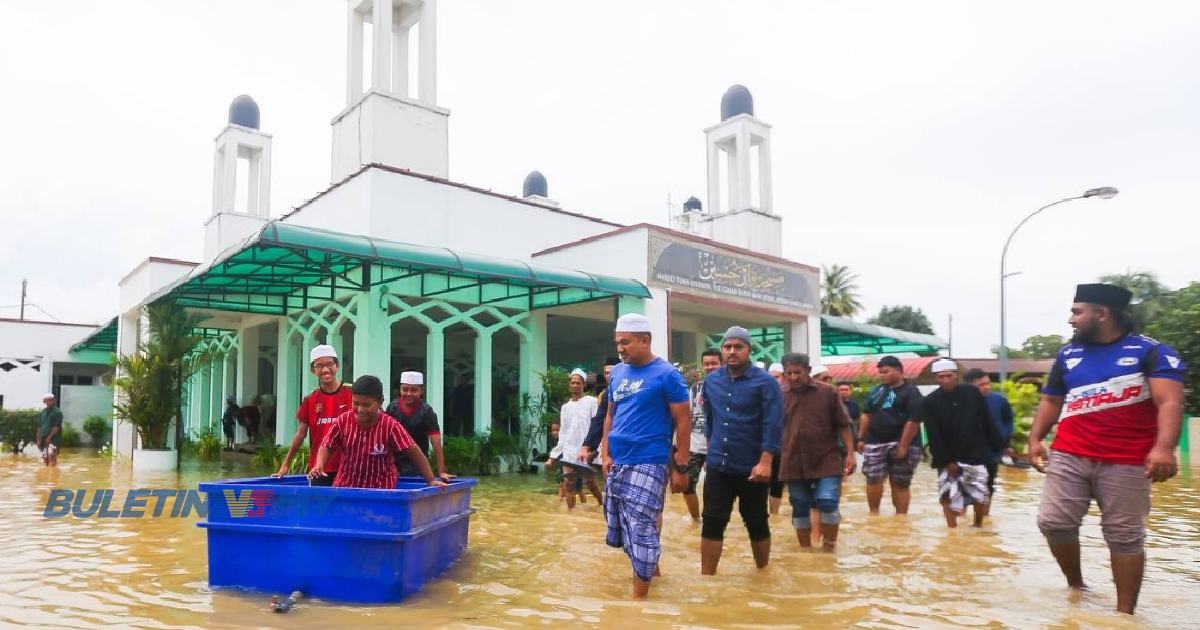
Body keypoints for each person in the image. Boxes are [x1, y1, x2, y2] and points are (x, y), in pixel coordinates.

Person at [1029, 283, 1186, 615]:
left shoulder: (1152, 352)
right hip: (1069, 453)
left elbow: (1169, 401)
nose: (1070, 319)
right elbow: (1051, 399)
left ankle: (1124, 615)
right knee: (1054, 523)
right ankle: (1076, 586)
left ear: (1102, 314)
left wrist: (1164, 448)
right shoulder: (1068, 354)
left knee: (1124, 536)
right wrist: (1034, 439)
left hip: (1128, 460)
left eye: (1077, 311)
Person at [598, 313, 690, 599]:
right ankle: (652, 570)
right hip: (619, 461)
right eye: (618, 343)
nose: (620, 348)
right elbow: (610, 415)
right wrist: (605, 453)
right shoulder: (619, 374)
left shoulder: (667, 375)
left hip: (650, 460)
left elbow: (683, 420)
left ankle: (639, 600)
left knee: (640, 526)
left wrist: (682, 467)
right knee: (625, 528)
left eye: (626, 343)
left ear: (645, 340)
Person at [700, 326, 782, 575]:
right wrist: (709, 454)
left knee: (756, 520)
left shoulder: (766, 383)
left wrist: (766, 461)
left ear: (749, 349)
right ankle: (707, 580)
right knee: (712, 520)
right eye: (727, 347)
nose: (732, 351)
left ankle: (762, 574)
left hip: (752, 467)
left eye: (738, 347)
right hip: (718, 465)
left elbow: (773, 423)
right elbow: (710, 420)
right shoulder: (711, 381)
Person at [308, 375, 447, 490]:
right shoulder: (343, 421)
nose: (360, 409)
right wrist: (319, 465)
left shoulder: (390, 426)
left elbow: (414, 451)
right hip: (346, 485)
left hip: (381, 488)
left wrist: (430, 479)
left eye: (366, 405)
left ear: (380, 402)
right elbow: (327, 445)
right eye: (356, 403)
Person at [778, 353, 856, 551]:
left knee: (828, 502)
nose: (794, 377)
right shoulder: (779, 395)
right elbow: (769, 428)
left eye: (798, 373)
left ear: (809, 371)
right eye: (789, 373)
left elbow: (844, 425)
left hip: (826, 458)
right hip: (793, 458)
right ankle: (806, 551)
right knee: (799, 506)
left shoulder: (828, 393)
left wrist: (850, 453)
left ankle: (829, 550)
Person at [922, 359, 1003, 528]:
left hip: (975, 452)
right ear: (935, 378)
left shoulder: (972, 393)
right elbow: (933, 435)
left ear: (956, 375)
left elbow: (986, 422)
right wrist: (946, 461)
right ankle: (951, 529)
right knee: (946, 494)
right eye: (941, 377)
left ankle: (978, 525)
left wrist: (998, 447)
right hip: (946, 455)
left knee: (981, 493)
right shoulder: (930, 401)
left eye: (949, 376)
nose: (945, 380)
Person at [274, 345, 351, 485]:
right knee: (320, 506)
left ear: (337, 366)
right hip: (318, 469)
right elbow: (300, 434)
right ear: (313, 370)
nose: (325, 369)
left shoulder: (352, 394)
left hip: (349, 468)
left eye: (330, 364)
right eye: (319, 365)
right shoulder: (310, 399)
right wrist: (286, 464)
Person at [857, 355, 925, 515]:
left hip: (904, 441)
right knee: (873, 479)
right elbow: (866, 414)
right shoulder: (876, 391)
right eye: (880, 372)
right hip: (875, 440)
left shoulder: (912, 392)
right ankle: (874, 514)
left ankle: (901, 518)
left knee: (900, 482)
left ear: (899, 371)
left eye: (886, 372)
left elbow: (913, 421)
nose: (882, 375)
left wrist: (903, 446)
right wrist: (860, 438)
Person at [546, 369, 603, 509]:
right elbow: (563, 433)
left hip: (587, 450)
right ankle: (570, 515)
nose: (575, 385)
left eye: (578, 383)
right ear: (569, 385)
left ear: (583, 384)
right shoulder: (565, 407)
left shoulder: (592, 402)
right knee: (569, 484)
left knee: (590, 483)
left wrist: (596, 448)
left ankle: (603, 506)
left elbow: (598, 426)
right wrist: (553, 457)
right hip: (569, 451)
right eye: (573, 383)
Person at [680, 348, 721, 522]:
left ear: (722, 364)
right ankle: (696, 520)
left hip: (719, 446)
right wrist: (680, 447)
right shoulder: (695, 388)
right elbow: (687, 417)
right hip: (695, 446)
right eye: (706, 364)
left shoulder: (729, 388)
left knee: (716, 489)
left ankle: (715, 520)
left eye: (714, 363)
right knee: (687, 485)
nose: (710, 367)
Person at [385, 371, 450, 481]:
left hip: (418, 465)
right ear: (400, 390)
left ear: (421, 391)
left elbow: (436, 443)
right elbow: (386, 438)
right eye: (405, 389)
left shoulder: (427, 413)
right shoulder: (392, 408)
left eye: (414, 390)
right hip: (395, 465)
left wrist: (441, 471)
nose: (409, 393)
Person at [963, 368, 1014, 497]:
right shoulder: (960, 402)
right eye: (981, 385)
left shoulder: (999, 401)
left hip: (991, 452)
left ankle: (984, 517)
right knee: (962, 488)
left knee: (988, 486)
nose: (986, 387)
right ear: (969, 386)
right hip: (966, 453)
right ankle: (962, 516)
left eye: (987, 383)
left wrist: (1005, 442)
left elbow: (1008, 420)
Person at [36, 393, 62, 467]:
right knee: (45, 458)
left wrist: (49, 437)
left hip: (54, 440)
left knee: (52, 456)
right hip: (43, 439)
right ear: (44, 401)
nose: (49, 402)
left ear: (54, 401)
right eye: (47, 400)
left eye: (50, 400)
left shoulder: (57, 412)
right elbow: (39, 427)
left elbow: (56, 427)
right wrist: (38, 440)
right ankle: (48, 474)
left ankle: (52, 475)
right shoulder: (42, 413)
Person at [837, 382, 862, 449]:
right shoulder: (833, 403)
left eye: (846, 390)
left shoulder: (855, 405)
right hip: (837, 435)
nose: (843, 392)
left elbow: (859, 420)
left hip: (852, 434)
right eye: (841, 390)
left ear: (850, 392)